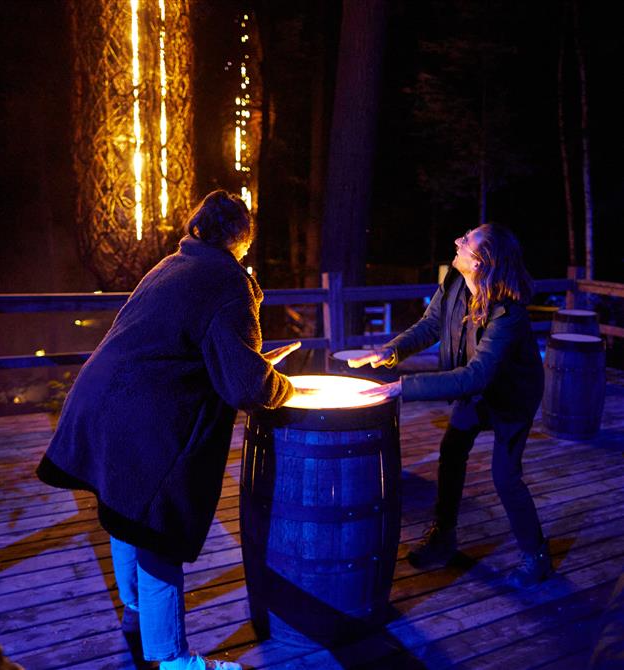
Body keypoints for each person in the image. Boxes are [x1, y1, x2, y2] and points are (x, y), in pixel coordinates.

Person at [37, 190, 301, 669]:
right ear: (240, 239)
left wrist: (251, 366)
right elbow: (245, 387)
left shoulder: (172, 264)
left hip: (103, 404)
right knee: (156, 528)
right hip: (144, 420)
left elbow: (194, 346)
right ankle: (175, 661)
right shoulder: (227, 280)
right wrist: (280, 386)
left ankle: (137, 616)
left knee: (124, 511)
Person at [349, 224, 552, 589]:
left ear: (482, 261)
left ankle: (536, 556)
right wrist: (391, 351)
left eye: (467, 240)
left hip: (511, 397)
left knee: (505, 477)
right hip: (475, 391)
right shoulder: (455, 284)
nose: (457, 240)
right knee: (452, 450)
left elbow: (476, 376)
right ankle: (444, 537)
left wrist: (402, 388)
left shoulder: (509, 314)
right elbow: (430, 326)